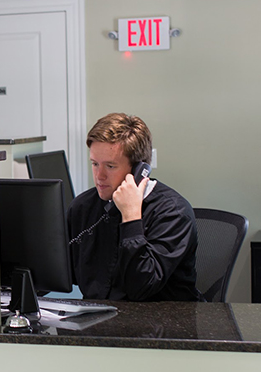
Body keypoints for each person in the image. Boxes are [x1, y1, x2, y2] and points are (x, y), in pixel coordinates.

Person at [67, 113, 202, 301]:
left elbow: (141, 287)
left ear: (139, 170)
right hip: (98, 322)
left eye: (110, 166)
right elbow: (63, 273)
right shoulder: (83, 207)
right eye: (95, 164)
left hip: (163, 323)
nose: (99, 176)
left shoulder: (173, 213)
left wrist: (131, 217)